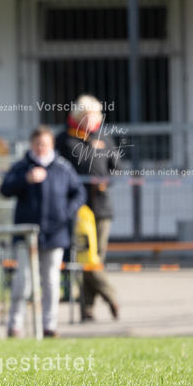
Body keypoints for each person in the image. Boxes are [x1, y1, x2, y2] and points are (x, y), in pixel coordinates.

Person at [0, 125, 86, 338]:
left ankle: (49, 326)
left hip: (55, 234)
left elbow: (79, 193)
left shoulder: (62, 167)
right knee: (23, 281)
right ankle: (15, 325)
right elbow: (5, 189)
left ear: (51, 145)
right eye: (37, 144)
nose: (41, 148)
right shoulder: (22, 167)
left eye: (44, 144)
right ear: (31, 144)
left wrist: (66, 213)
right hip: (26, 235)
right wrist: (26, 179)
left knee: (51, 281)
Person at [55, 95, 121, 321]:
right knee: (84, 257)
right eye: (87, 115)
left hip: (101, 207)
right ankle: (110, 296)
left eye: (95, 115)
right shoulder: (64, 138)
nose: (92, 120)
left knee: (96, 258)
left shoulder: (104, 137)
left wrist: (106, 181)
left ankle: (87, 307)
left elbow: (117, 168)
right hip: (77, 207)